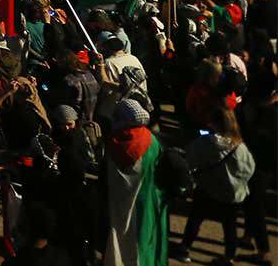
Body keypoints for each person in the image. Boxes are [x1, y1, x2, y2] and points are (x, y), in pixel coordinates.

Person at [176, 109, 255, 264]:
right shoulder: (240, 146)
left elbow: (190, 160)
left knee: (195, 219)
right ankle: (229, 257)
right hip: (232, 194)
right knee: (230, 226)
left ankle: (184, 248)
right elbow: (250, 169)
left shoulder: (205, 142)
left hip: (208, 189)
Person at [103, 99, 168, 266]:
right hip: (145, 202)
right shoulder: (152, 141)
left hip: (117, 204)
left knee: (119, 240)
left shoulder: (112, 144)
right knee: (143, 242)